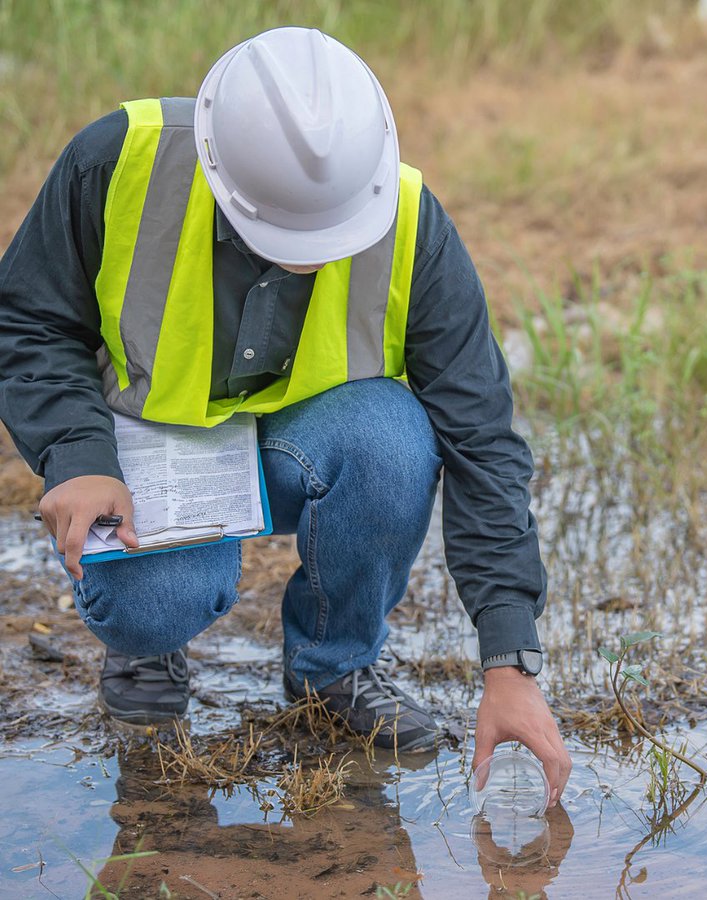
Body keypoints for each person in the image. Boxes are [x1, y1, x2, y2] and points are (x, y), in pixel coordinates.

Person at [0, 27, 570, 804]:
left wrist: (509, 661)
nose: (304, 256)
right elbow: (29, 320)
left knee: (393, 439)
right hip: (145, 456)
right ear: (215, 165)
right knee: (154, 602)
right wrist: (77, 455)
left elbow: (481, 436)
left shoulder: (407, 218)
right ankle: (148, 649)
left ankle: (334, 666)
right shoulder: (118, 160)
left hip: (305, 442)